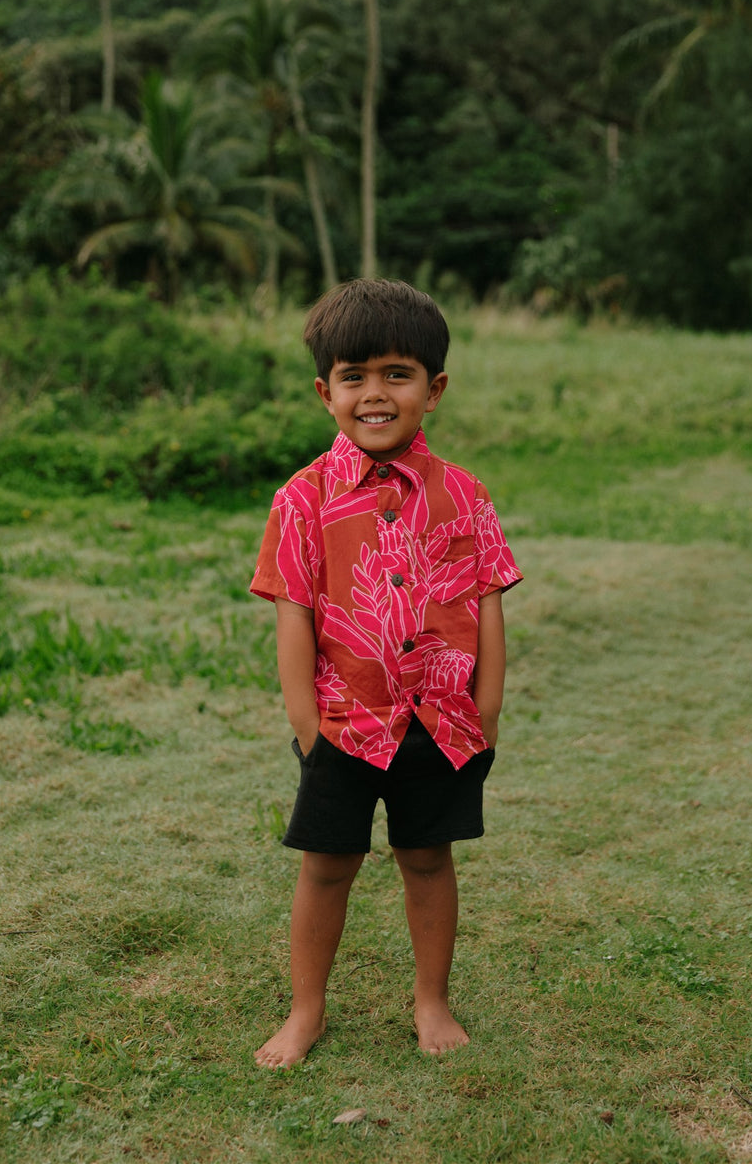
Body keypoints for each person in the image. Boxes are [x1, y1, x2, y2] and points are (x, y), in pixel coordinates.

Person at [250, 279, 522, 1068]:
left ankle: (430, 1000)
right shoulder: (301, 500)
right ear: (325, 391)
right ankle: (307, 1010)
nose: (376, 393)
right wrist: (307, 725)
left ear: (433, 389)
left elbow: (488, 598)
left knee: (429, 858)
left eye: (398, 374)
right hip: (343, 725)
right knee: (327, 867)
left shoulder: (464, 494)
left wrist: (489, 707)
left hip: (441, 722)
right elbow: (293, 612)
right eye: (354, 376)